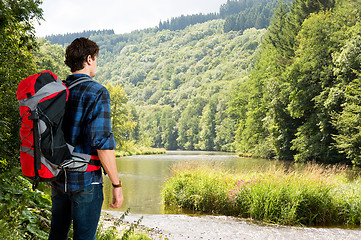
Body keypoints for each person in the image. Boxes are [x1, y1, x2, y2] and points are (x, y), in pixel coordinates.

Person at [48, 37, 124, 240]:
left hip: (57, 179)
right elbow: (102, 143)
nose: (96, 64)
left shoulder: (56, 91)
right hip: (86, 181)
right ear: (89, 59)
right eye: (96, 59)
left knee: (56, 236)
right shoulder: (97, 92)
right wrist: (116, 185)